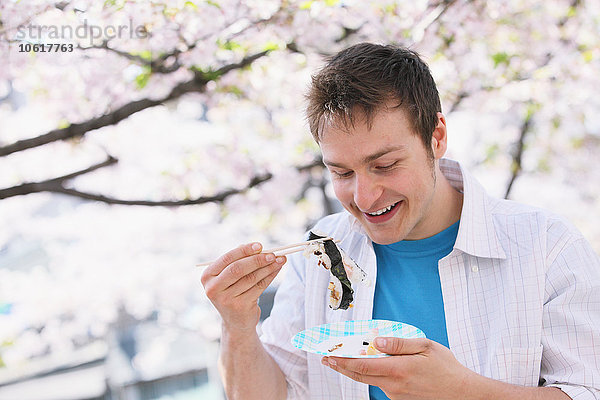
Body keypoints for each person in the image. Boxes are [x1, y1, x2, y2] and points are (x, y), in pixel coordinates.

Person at [200, 43, 600, 400]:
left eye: (385, 165)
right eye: (341, 173)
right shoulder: (323, 252)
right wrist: (238, 326)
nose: (363, 197)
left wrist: (461, 392)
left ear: (436, 136)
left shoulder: (546, 245)